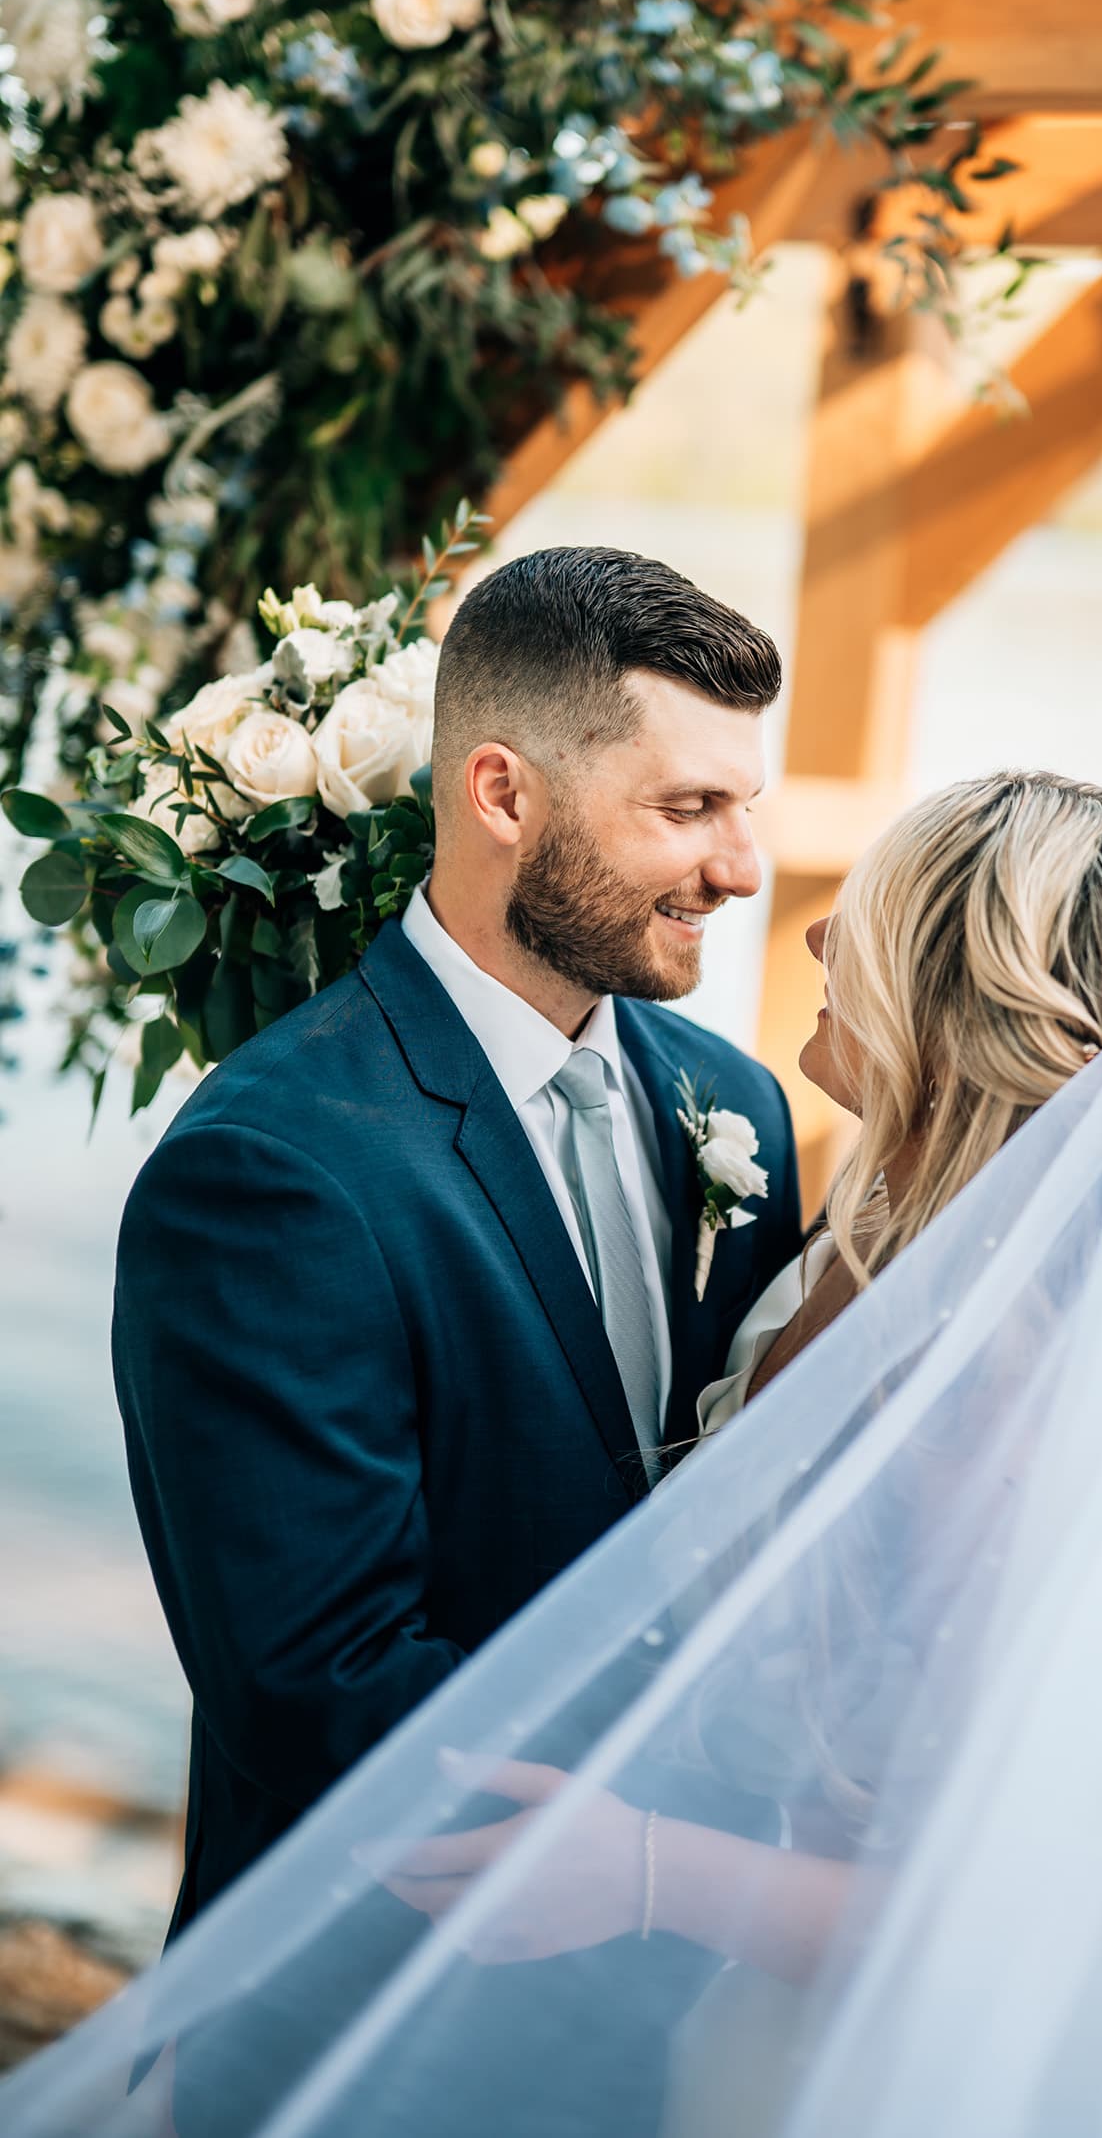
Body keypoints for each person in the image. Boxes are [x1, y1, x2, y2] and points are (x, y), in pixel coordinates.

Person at [8, 771, 1102, 2138]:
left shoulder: (1016, 1397)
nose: (809, 934)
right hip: (677, 2018)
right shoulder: (881, 1241)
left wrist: (647, 1870)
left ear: (954, 1000)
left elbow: (1050, 1897)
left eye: (864, 919)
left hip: (849, 2054)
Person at [110, 546, 803, 1936]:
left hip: (659, 1995)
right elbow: (320, 1676)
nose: (740, 865)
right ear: (501, 791)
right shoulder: (275, 1169)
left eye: (747, 805)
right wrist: (658, 1866)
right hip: (365, 1994)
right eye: (689, 807)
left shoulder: (738, 1104)